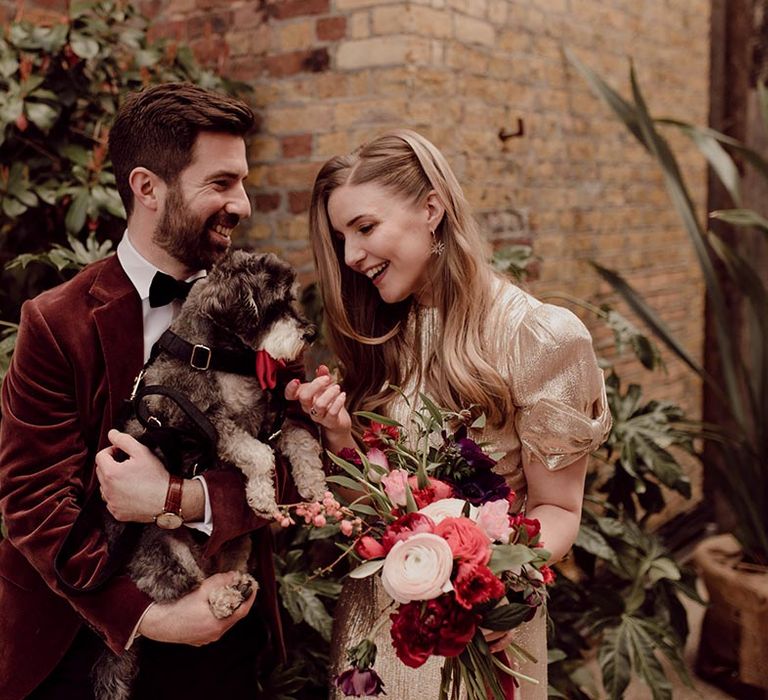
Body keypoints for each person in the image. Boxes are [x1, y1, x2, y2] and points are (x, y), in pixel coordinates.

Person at [286, 129, 612, 698]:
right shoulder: (379, 339)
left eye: (365, 227)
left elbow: (558, 508)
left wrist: (494, 582)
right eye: (342, 238)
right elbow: (379, 509)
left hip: (482, 631)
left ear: (431, 208)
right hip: (376, 635)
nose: (351, 256)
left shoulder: (539, 337)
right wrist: (340, 436)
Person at [0, 83, 287, 699]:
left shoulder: (260, 305)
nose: (242, 203)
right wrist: (149, 617)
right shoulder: (55, 321)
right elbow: (32, 499)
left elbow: (288, 465)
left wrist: (183, 499)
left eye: (242, 181)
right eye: (220, 183)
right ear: (147, 187)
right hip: (81, 638)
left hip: (224, 628)